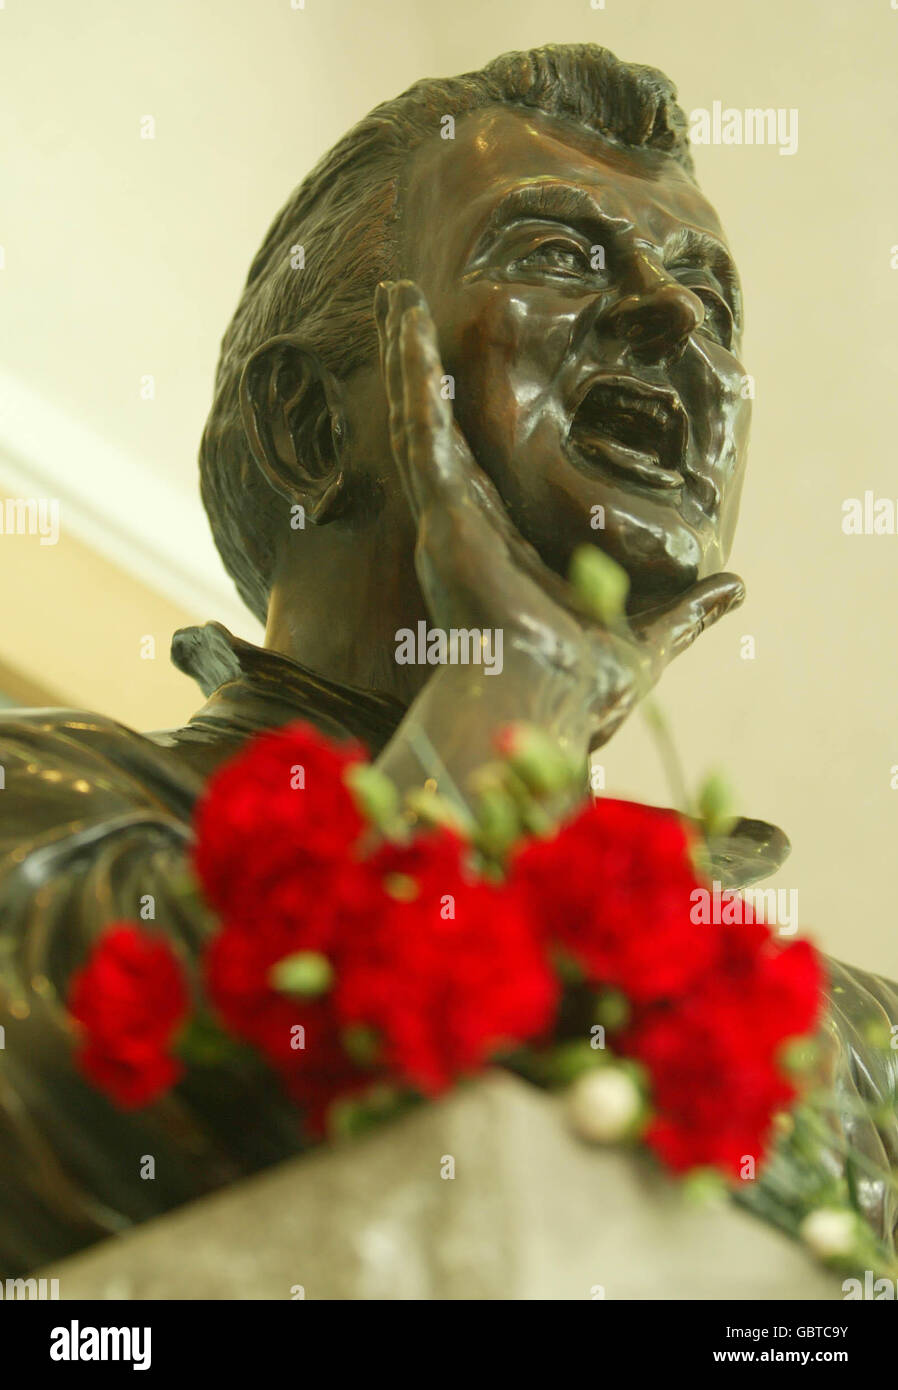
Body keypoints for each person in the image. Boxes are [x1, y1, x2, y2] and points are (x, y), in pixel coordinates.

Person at [0, 44, 894, 1276]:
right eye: (556, 255)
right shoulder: (48, 823)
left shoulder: (849, 1045)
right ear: (309, 421)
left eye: (711, 294)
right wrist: (512, 690)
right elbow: (145, 1176)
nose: (674, 314)